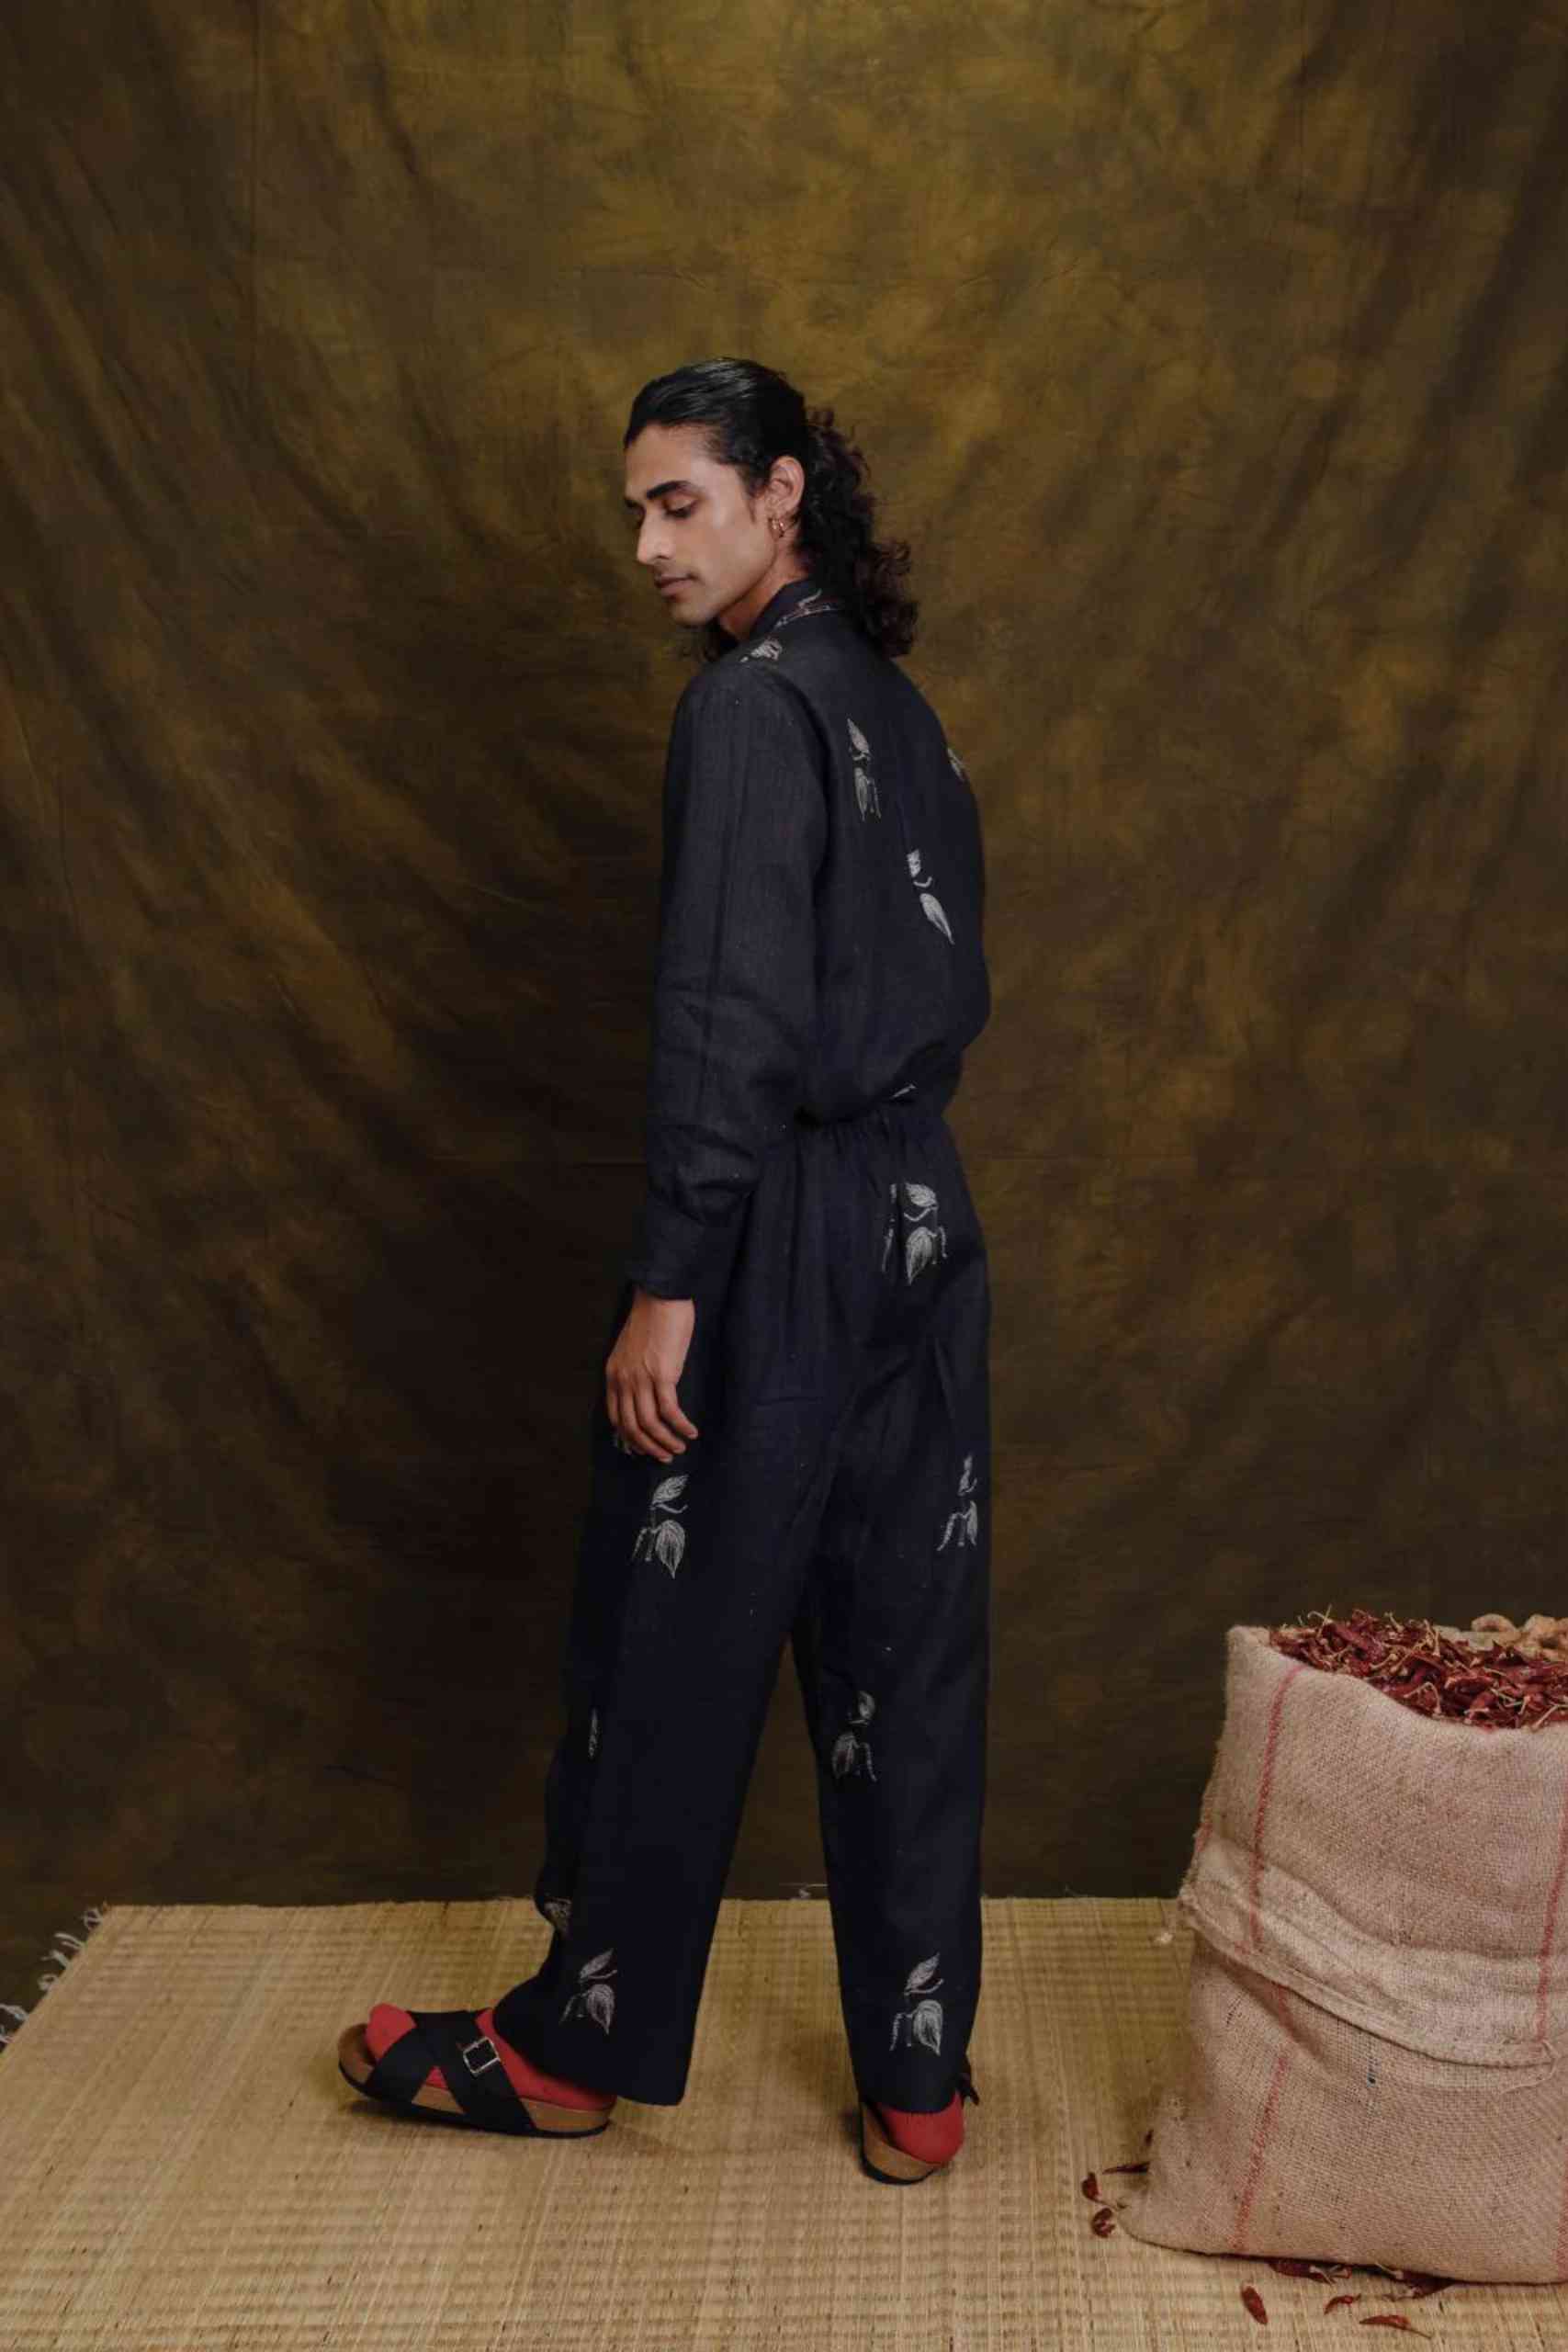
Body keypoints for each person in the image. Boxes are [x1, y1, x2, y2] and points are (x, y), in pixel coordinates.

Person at [337, 357, 993, 2185]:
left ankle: (576, 2045)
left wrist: (670, 1281)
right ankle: (919, 2077)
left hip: (774, 1230)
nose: (643, 545)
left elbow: (724, 1018)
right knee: (905, 1643)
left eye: (677, 502)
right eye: (633, 509)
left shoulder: (746, 711)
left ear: (782, 494)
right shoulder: (902, 712)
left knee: (672, 1637)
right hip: (923, 1220)